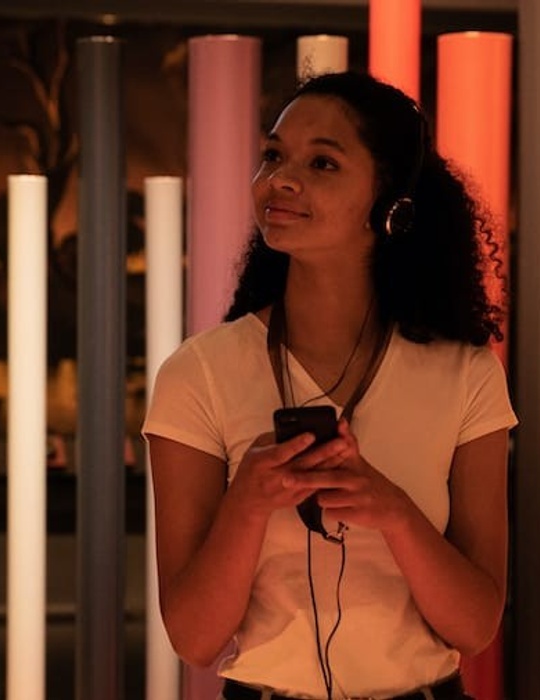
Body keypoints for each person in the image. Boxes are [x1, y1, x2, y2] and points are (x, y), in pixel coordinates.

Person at [142, 71, 517, 700]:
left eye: (323, 163)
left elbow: (475, 626)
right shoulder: (198, 374)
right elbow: (195, 639)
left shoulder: (465, 374)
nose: (281, 181)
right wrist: (248, 502)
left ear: (390, 202)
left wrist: (393, 511)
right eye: (273, 156)